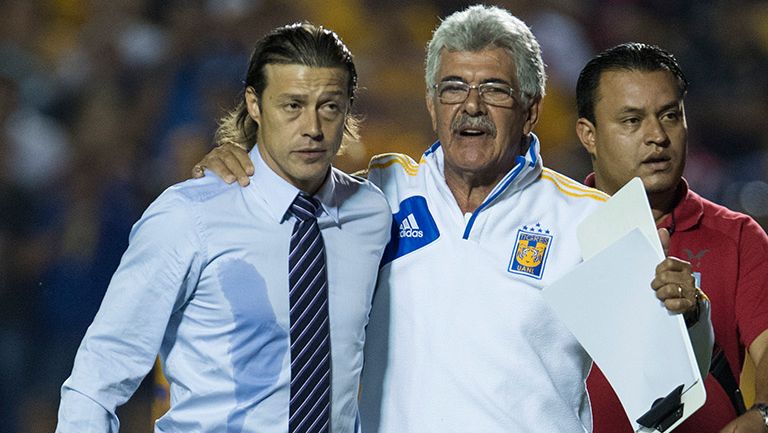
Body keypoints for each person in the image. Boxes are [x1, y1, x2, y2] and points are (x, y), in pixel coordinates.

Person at [195, 6, 709, 432]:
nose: (471, 106)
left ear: (530, 110)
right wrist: (232, 167)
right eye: (453, 88)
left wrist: (688, 316)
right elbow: (274, 206)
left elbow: (665, 394)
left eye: (494, 90)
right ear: (431, 104)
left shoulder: (590, 219)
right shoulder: (376, 193)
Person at [56, 22, 391, 433]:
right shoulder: (189, 216)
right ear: (254, 104)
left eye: (330, 106)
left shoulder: (373, 214)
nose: (313, 128)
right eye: (292, 105)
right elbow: (98, 376)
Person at [575, 42, 768, 433]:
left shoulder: (739, 237)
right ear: (588, 135)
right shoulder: (551, 234)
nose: (657, 136)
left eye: (669, 115)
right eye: (631, 121)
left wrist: (764, 415)